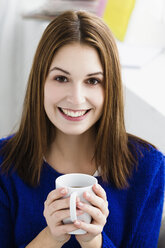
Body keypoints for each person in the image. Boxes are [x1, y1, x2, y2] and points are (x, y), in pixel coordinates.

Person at [0, 10, 164, 248]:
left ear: (111, 89)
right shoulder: (5, 164)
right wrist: (51, 238)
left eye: (93, 81)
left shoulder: (148, 169)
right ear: (40, 82)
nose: (76, 99)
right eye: (61, 79)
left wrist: (93, 241)